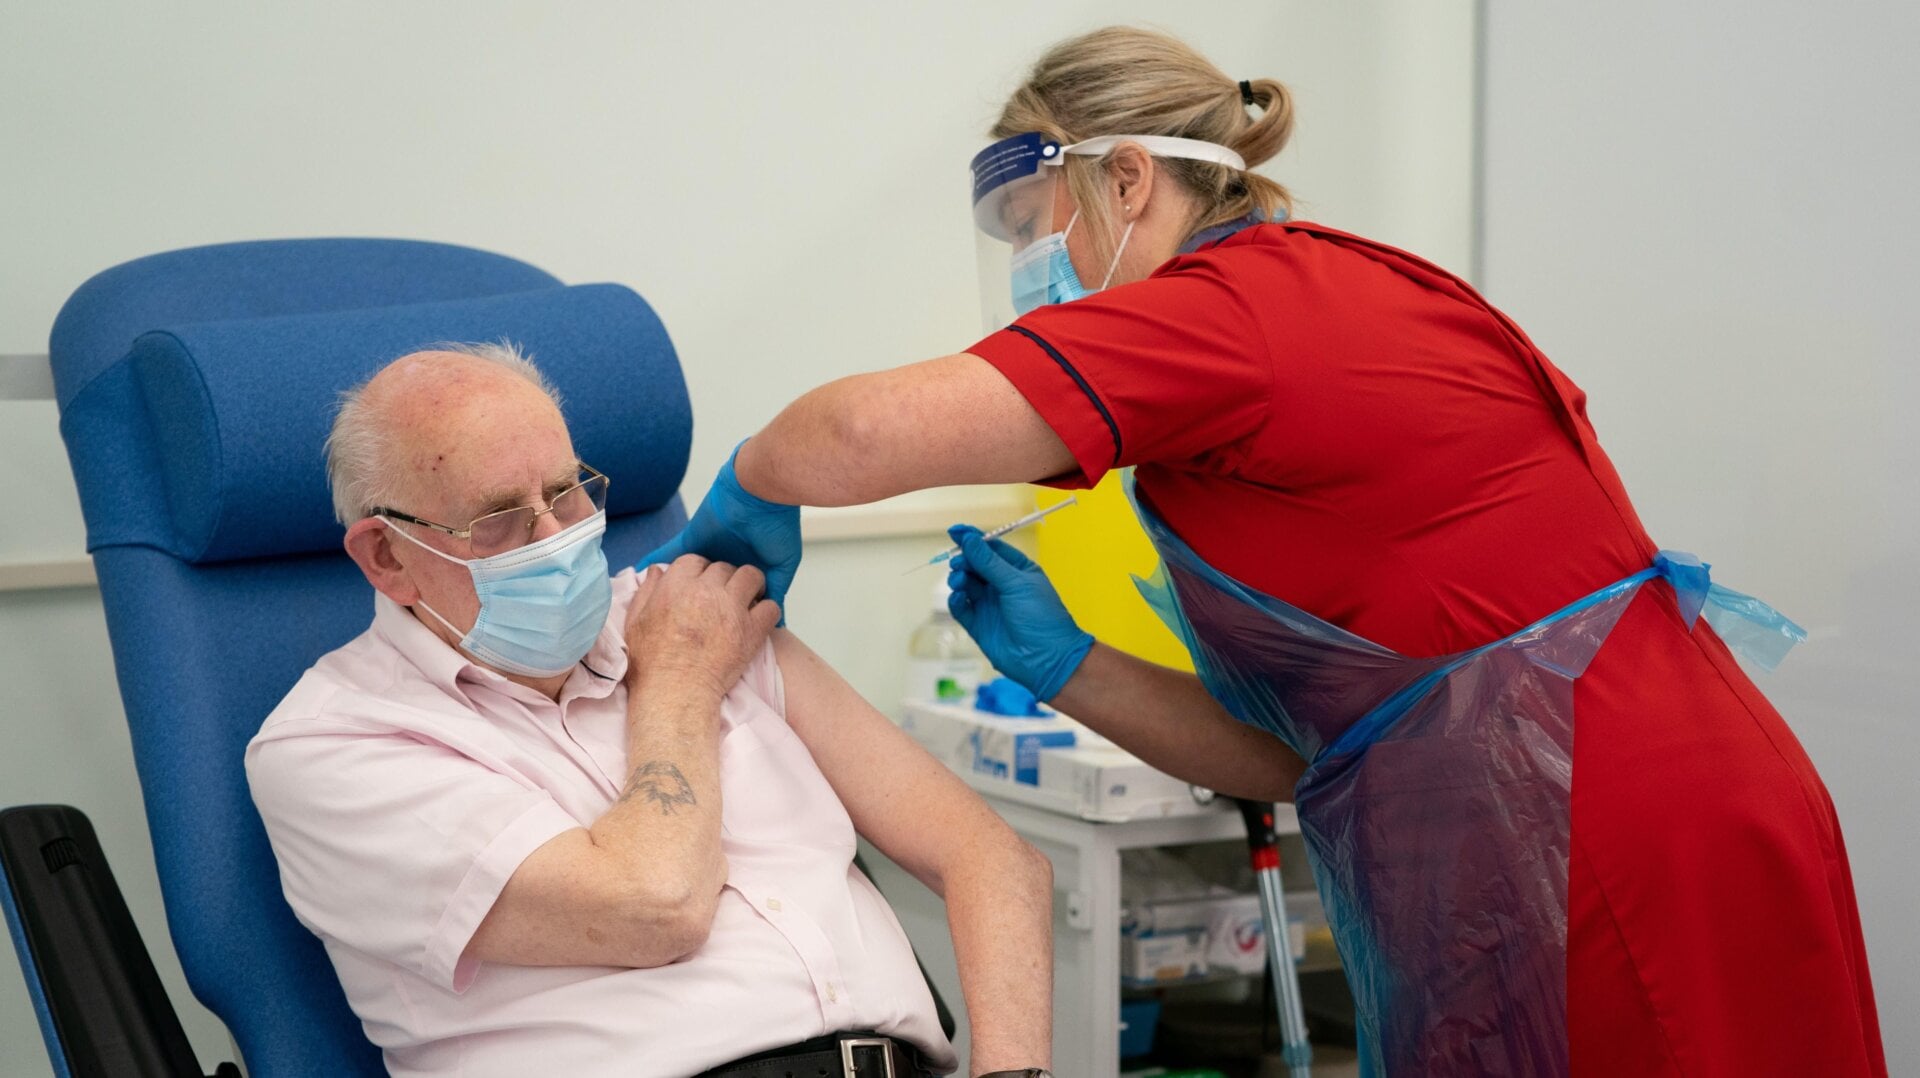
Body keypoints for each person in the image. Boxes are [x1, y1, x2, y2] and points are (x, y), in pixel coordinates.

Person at [643, 25, 1886, 1078]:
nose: (1029, 268)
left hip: (1622, 832)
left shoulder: (1233, 315)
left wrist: (756, 474)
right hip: (1519, 820)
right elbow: (1311, 760)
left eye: (1035, 224)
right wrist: (1069, 663)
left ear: (1126, 180)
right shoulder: (1239, 361)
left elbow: (859, 431)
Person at [244, 344, 1054, 1078]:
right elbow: (656, 907)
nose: (556, 536)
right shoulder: (333, 745)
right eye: (500, 520)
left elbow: (990, 857)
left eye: (566, 492)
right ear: (387, 556)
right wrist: (679, 682)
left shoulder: (688, 612)